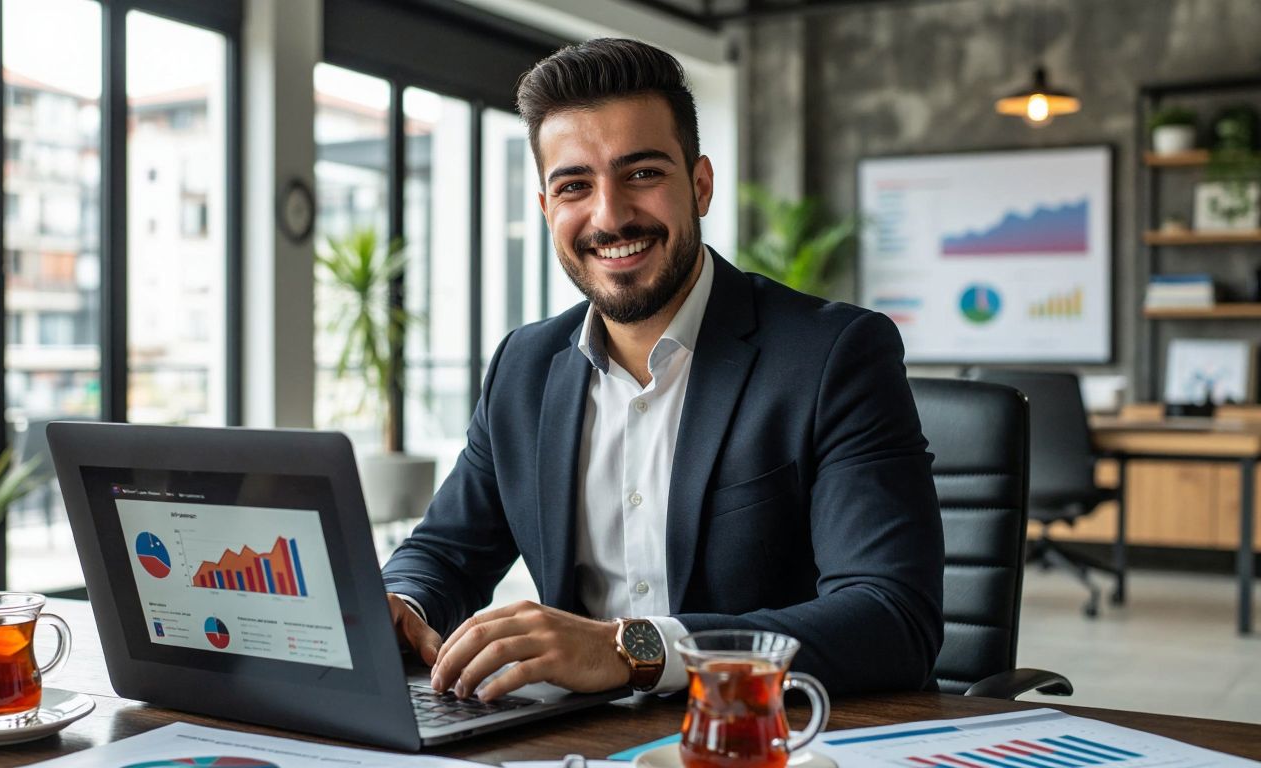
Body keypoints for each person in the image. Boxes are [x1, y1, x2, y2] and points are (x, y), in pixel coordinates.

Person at [381, 37, 943, 703]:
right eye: (574, 186)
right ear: (546, 210)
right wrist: (401, 605)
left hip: (769, 737)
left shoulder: (833, 355)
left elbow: (889, 616)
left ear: (700, 184)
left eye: (642, 174)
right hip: (576, 740)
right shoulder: (523, 369)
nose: (610, 214)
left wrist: (631, 649)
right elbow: (445, 554)